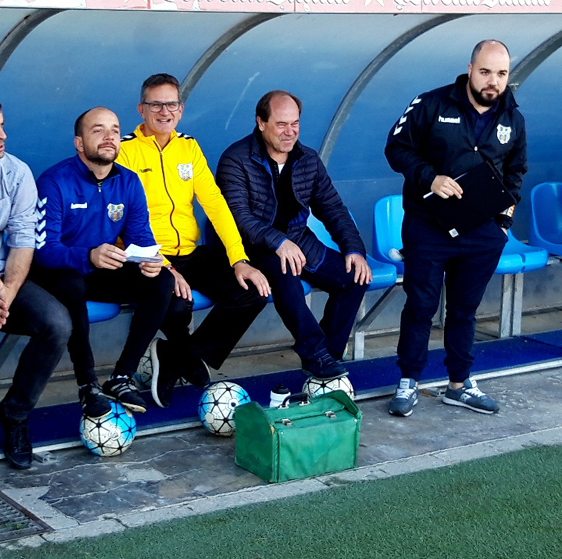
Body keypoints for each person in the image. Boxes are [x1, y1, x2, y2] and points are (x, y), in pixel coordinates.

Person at [384, 40, 527, 417]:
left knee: (465, 310)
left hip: (482, 233)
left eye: (501, 74)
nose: (492, 81)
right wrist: (430, 179)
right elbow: (396, 148)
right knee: (421, 305)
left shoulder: (513, 117)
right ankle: (409, 380)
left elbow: (516, 170)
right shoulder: (431, 104)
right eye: (485, 72)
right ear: (469, 68)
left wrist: (503, 221)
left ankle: (459, 384)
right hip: (428, 228)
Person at [116, 73, 269, 408]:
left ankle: (175, 354)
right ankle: (184, 357)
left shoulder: (189, 147)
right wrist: (165, 266)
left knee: (254, 291)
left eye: (171, 104)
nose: (164, 111)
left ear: (181, 109)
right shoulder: (125, 152)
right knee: (176, 303)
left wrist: (239, 259)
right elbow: (123, 220)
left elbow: (215, 204)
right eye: (155, 104)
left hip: (191, 252)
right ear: (142, 110)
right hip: (150, 257)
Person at [216, 90, 372, 381]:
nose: (290, 132)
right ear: (261, 122)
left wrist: (354, 249)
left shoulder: (307, 158)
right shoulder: (235, 159)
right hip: (251, 248)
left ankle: (327, 356)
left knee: (353, 277)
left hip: (298, 241)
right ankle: (314, 351)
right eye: (281, 124)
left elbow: (333, 209)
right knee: (286, 273)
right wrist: (278, 242)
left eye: (295, 124)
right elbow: (239, 218)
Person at [32, 107, 175, 417]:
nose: (109, 136)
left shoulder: (128, 181)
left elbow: (141, 237)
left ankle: (122, 376)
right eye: (98, 130)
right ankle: (87, 385)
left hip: (100, 270)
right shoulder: (54, 181)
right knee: (71, 285)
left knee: (162, 280)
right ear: (79, 143)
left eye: (114, 129)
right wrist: (88, 254)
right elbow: (42, 250)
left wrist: (150, 260)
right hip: (61, 270)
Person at [0, 93, 72, 469]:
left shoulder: (16, 172)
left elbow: (23, 240)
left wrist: (7, 294)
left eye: (2, 126)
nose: (1, 136)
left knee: (56, 322)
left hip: (3, 279)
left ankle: (14, 414)